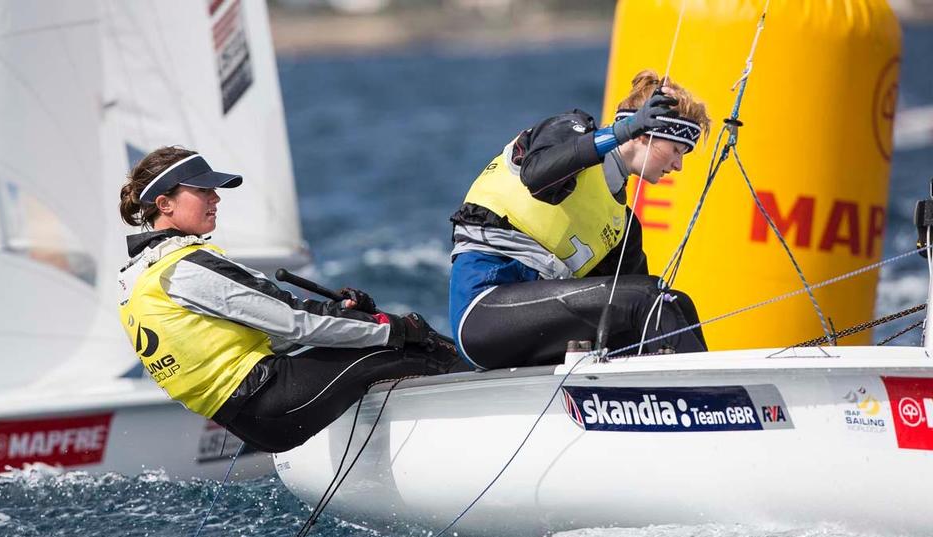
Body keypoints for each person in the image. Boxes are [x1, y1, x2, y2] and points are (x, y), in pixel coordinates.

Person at [118, 146, 459, 453]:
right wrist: (393, 330)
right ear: (164, 203)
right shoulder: (188, 267)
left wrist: (338, 312)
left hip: (249, 418)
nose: (216, 198)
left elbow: (268, 331)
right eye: (203, 190)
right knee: (417, 345)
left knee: (372, 343)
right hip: (270, 400)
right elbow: (296, 323)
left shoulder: (138, 278)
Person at [448, 70, 712, 369]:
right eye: (676, 150)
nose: (677, 165)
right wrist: (622, 130)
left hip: (538, 329)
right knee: (647, 300)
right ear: (641, 134)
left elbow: (628, 300)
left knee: (670, 301)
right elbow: (538, 176)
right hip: (483, 312)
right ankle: (717, 400)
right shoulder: (569, 130)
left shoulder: (622, 224)